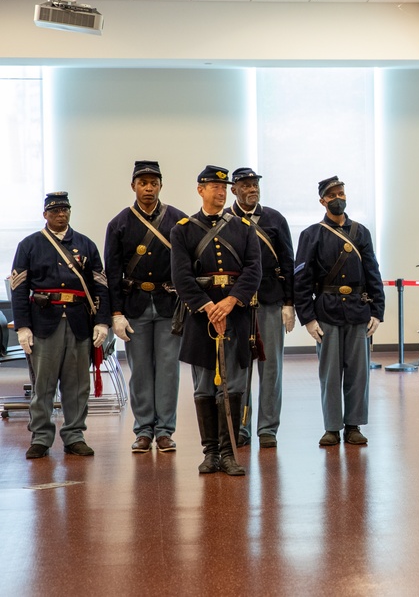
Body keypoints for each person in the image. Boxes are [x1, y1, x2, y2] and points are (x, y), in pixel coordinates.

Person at [170, 166, 261, 476]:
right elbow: (181, 276)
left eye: (224, 187)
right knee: (204, 387)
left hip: (235, 315)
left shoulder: (244, 228)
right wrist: (209, 306)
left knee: (234, 385)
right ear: (200, 190)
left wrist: (230, 301)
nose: (221, 192)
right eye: (214, 186)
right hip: (201, 318)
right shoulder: (183, 229)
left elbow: (253, 271)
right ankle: (210, 453)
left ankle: (229, 452)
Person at [10, 192, 111, 459]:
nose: (60, 214)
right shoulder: (29, 244)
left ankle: (75, 435)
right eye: (54, 210)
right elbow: (19, 289)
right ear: (45, 215)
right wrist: (23, 326)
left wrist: (102, 322)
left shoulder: (85, 244)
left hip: (79, 322)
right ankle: (41, 437)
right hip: (44, 322)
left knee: (77, 385)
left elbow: (100, 285)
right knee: (43, 384)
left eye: (64, 209)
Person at [293, 176, 384, 447]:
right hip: (327, 312)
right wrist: (307, 318)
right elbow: (302, 279)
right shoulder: (311, 234)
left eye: (341, 193)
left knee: (358, 373)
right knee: (330, 374)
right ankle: (331, 427)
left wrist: (377, 311)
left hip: (357, 310)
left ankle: (353, 426)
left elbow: (373, 273)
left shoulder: (361, 232)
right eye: (331, 195)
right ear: (322, 201)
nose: (337, 198)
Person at [104, 160, 186, 454]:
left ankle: (165, 431)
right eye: (142, 183)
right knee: (139, 371)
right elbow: (112, 273)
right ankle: (143, 431)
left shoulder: (179, 220)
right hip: (135, 306)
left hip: (169, 305)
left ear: (161, 185)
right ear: (133, 186)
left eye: (153, 183)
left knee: (168, 370)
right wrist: (115, 313)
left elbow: (187, 267)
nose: (148, 188)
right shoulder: (119, 224)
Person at [226, 167, 295, 449]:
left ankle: (267, 428)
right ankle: (241, 426)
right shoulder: (225, 219)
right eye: (245, 185)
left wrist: (290, 303)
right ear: (234, 190)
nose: (252, 189)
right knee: (239, 367)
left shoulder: (275, 219)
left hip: (270, 301)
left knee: (271, 368)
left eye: (254, 184)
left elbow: (289, 263)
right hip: (238, 304)